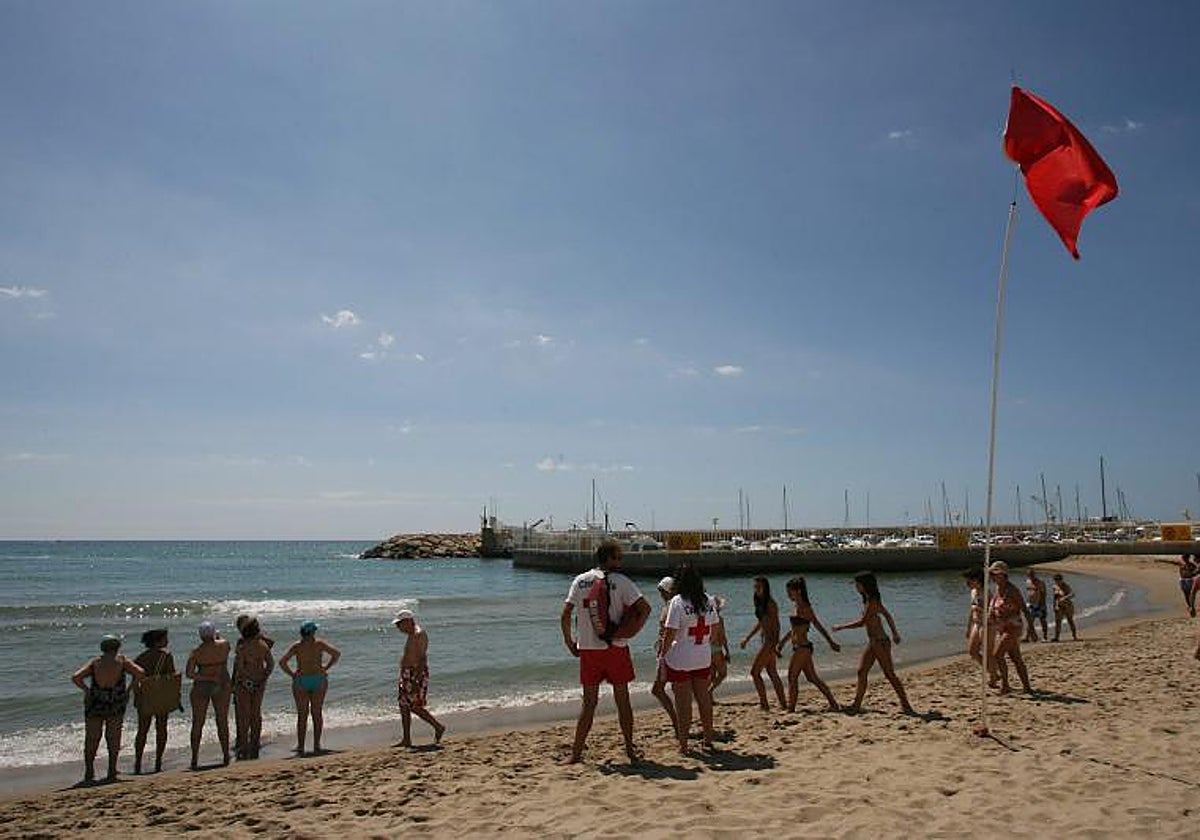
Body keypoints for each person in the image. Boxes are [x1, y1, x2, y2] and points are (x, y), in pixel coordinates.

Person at [560, 539, 651, 764]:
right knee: (623, 701)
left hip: (589, 649)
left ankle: (576, 754)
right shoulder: (622, 581)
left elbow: (565, 615)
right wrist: (629, 632)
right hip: (615, 648)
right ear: (608, 558)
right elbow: (645, 609)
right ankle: (629, 749)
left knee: (589, 704)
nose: (621, 561)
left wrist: (570, 642)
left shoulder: (580, 580)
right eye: (618, 557)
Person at [660, 563, 725, 754]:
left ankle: (684, 745)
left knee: (683, 703)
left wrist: (662, 653)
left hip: (681, 658)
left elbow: (670, 633)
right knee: (703, 698)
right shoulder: (708, 601)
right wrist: (704, 644)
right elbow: (715, 630)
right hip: (702, 656)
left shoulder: (677, 602)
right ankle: (708, 738)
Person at [832, 572, 915, 714]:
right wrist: (894, 633)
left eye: (857, 584)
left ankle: (906, 704)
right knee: (862, 671)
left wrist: (841, 627)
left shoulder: (872, 602)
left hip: (880, 642)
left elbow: (862, 623)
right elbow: (887, 615)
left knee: (889, 674)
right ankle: (856, 704)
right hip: (874, 642)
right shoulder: (869, 600)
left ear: (864, 585)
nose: (856, 587)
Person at [72, 635, 145, 782]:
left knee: (92, 737)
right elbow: (140, 673)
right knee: (113, 737)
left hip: (95, 701)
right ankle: (112, 769)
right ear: (117, 648)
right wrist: (129, 689)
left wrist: (88, 691)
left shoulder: (95, 662)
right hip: (115, 701)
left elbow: (76, 677)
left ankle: (89, 771)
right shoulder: (122, 661)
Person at [775, 577, 840, 712]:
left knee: (792, 677)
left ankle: (791, 708)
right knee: (812, 678)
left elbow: (818, 625)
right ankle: (833, 703)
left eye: (789, 592)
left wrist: (831, 642)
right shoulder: (796, 607)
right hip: (799, 648)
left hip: (802, 648)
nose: (788, 595)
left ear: (798, 591)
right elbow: (793, 629)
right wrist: (781, 643)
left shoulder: (805, 608)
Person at [279, 620, 341, 755]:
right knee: (316, 713)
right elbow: (336, 654)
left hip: (301, 680)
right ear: (312, 632)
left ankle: (301, 747)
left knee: (302, 715)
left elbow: (282, 662)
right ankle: (316, 745)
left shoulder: (297, 646)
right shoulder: (319, 644)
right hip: (318, 679)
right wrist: (326, 668)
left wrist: (292, 675)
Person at [392, 609, 446, 747]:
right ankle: (406, 739)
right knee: (404, 705)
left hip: (416, 674)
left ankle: (438, 726)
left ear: (408, 621)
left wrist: (416, 679)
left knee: (415, 706)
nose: (398, 628)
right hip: (407, 674)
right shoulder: (411, 634)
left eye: (400, 625)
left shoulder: (418, 634)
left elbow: (422, 659)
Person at [185, 621, 232, 769]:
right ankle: (225, 755)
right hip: (222, 683)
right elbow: (224, 644)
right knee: (222, 720)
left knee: (198, 722)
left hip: (202, 686)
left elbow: (190, 673)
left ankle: (194, 758)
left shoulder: (196, 651)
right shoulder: (224, 645)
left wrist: (207, 677)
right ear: (213, 633)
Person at [132, 628, 178, 774]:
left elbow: (135, 681)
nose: (168, 641)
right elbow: (171, 677)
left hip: (145, 696)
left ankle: (138, 762)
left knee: (142, 731)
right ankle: (158, 761)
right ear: (158, 641)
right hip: (160, 696)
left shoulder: (140, 658)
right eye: (165, 638)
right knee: (161, 729)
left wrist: (137, 697)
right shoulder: (166, 656)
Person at [738, 577, 787, 711]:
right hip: (765, 641)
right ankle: (783, 703)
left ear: (766, 588)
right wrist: (747, 638)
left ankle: (764, 703)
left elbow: (777, 625)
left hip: (770, 642)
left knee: (754, 672)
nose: (757, 589)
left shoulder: (771, 603)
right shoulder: (759, 602)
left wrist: (776, 645)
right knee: (772, 672)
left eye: (759, 587)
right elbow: (761, 623)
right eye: (755, 587)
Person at [987, 561, 1034, 694]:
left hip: (1013, 627)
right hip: (1002, 628)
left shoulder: (1012, 590)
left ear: (1003, 575)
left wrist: (1031, 629)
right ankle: (1027, 687)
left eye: (995, 574)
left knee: (997, 654)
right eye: (992, 574)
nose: (992, 577)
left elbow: (1025, 609)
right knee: (1015, 658)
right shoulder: (998, 589)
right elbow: (994, 607)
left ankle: (1005, 685)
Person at [232, 616, 274, 760]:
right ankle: (255, 742)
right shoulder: (263, 645)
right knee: (256, 714)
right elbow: (270, 664)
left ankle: (243, 745)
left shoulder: (242, 647)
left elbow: (239, 667)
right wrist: (263, 677)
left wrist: (245, 679)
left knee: (244, 715)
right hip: (259, 682)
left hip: (244, 683)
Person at [650, 576, 680, 737]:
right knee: (675, 688)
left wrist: (663, 651)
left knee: (658, 689)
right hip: (670, 651)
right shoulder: (673, 605)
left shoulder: (671, 606)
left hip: (668, 652)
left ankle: (677, 722)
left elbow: (670, 631)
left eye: (662, 591)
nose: (660, 594)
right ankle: (679, 722)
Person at [962, 569, 987, 671]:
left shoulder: (986, 593)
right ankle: (991, 671)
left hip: (987, 624)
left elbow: (992, 611)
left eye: (969, 580)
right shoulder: (973, 592)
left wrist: (978, 608)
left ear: (977, 580)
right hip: (977, 624)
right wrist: (968, 627)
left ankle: (994, 674)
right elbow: (972, 611)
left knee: (988, 653)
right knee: (972, 652)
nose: (967, 583)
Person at [708, 596, 731, 696]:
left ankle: (709, 697)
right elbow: (722, 636)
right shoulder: (718, 619)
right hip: (716, 648)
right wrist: (727, 651)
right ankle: (709, 691)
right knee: (722, 674)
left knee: (712, 674)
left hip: (706, 648)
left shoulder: (706, 617)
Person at [1052, 573, 1079, 641]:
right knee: (1058, 622)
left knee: (1070, 620)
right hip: (1059, 606)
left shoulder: (1065, 586)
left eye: (1058, 580)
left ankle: (1074, 636)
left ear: (1061, 580)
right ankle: (1056, 637)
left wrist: (1064, 598)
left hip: (1067, 606)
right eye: (1056, 580)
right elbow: (1055, 597)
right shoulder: (1054, 587)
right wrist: (1055, 606)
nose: (1057, 582)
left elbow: (1072, 594)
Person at [1024, 569, 1049, 642]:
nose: (1031, 576)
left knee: (1042, 620)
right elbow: (1029, 593)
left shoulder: (1040, 582)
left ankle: (1045, 636)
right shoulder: (1028, 582)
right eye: (1029, 575)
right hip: (1031, 604)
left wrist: (1043, 605)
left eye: (1032, 574)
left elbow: (1044, 594)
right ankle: (1027, 637)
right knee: (1030, 621)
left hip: (1039, 604)